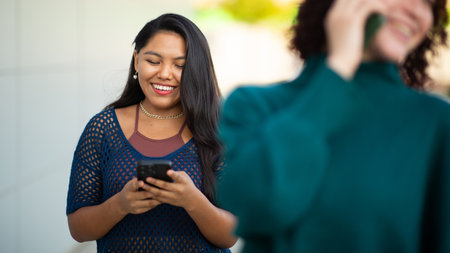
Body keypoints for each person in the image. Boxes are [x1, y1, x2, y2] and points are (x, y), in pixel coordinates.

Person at [217, 0, 450, 252]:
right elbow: (253, 206)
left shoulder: (434, 122)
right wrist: (338, 70)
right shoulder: (255, 105)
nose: (416, 10)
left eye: (429, 4)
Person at [66, 13, 237, 252]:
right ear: (137, 60)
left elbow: (230, 236)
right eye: (154, 61)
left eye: (180, 65)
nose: (165, 73)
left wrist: (192, 200)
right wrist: (121, 204)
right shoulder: (102, 128)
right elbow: (78, 229)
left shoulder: (218, 131)